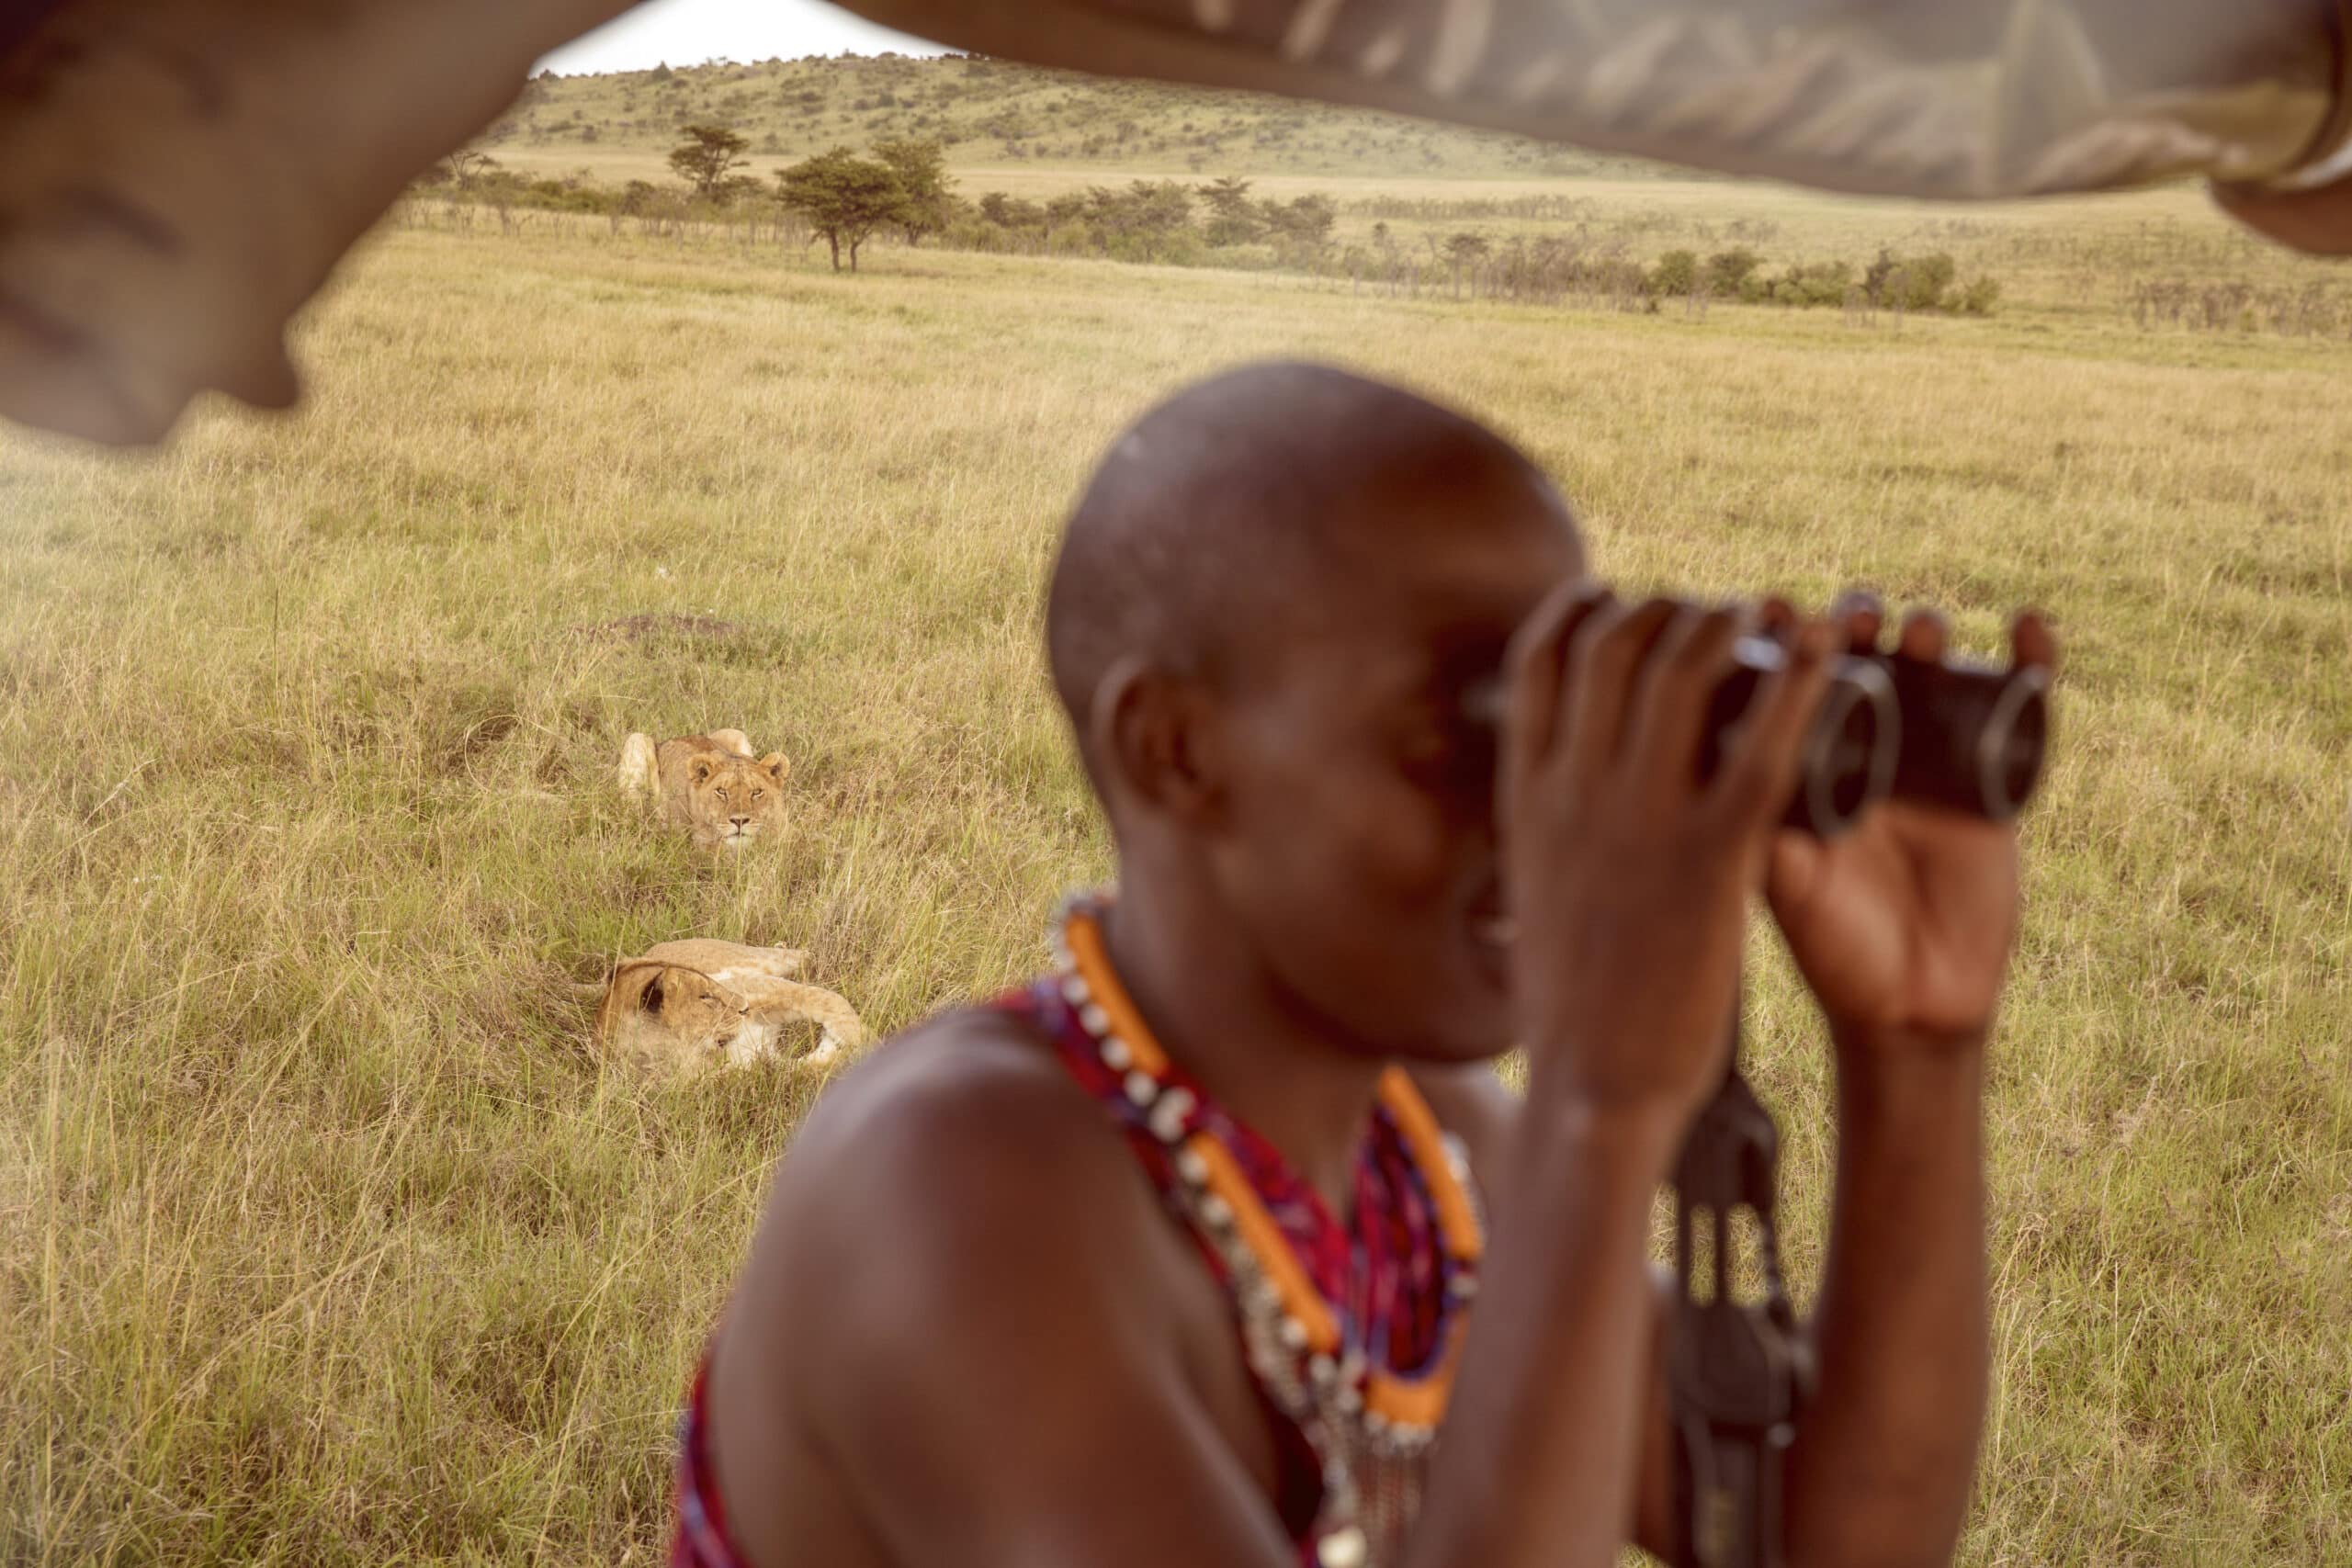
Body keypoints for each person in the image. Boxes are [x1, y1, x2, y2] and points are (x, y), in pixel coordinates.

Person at [674, 361, 2057, 1568]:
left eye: (1559, 724)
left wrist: (1918, 1048)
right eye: (1462, 739)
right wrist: (1602, 1106)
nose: (1539, 811)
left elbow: (1814, 1535)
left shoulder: (1432, 1154)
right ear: (1180, 751)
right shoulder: (956, 1187)